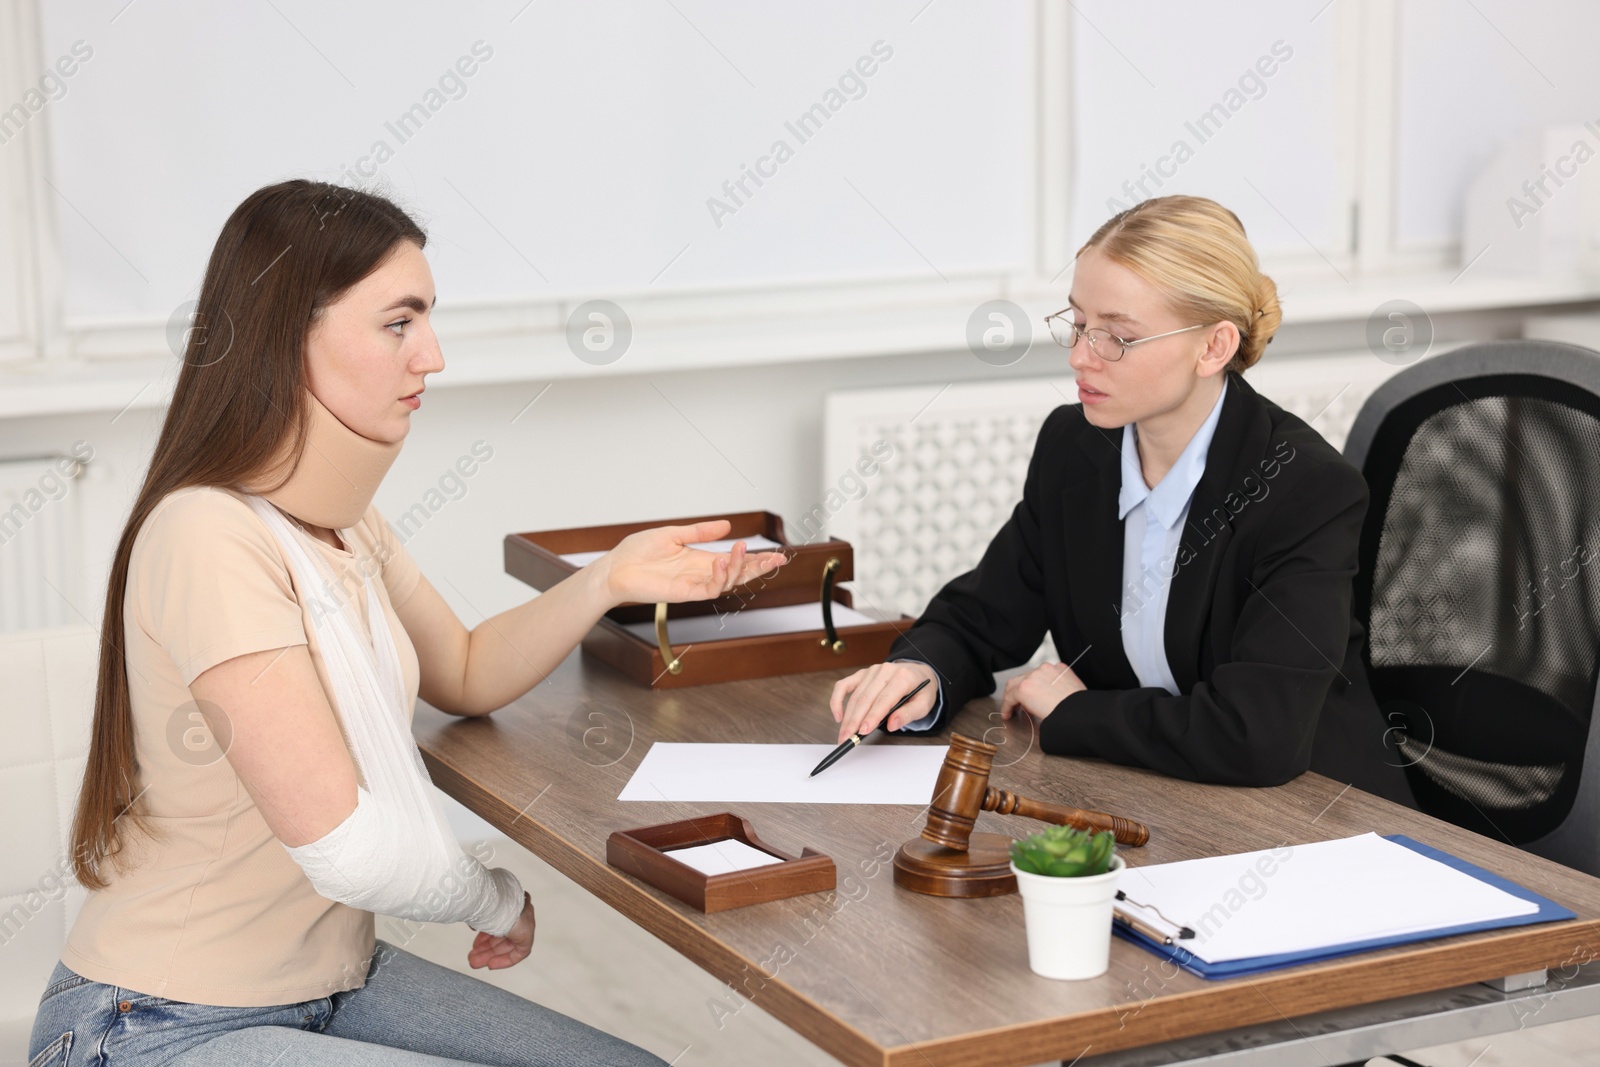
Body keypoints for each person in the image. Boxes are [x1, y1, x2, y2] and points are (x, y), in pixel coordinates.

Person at [29, 180, 784, 1067]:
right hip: (157, 1020)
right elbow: (348, 846)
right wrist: (494, 899)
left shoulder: (342, 524)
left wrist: (608, 580)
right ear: (289, 338)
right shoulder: (208, 536)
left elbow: (463, 668)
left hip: (328, 982)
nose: (432, 355)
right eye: (400, 322)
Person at [828, 195, 1410, 799]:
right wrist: (920, 670)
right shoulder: (1076, 447)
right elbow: (984, 616)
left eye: (1118, 338)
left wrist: (1075, 714)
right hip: (1150, 792)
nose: (1081, 356)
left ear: (1213, 347)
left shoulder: (1303, 488)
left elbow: (1255, 734)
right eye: (1078, 324)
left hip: (1316, 813)